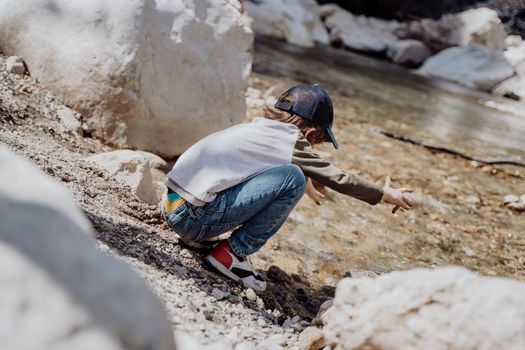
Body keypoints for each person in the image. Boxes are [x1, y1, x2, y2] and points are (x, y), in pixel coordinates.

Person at [162, 84, 412, 292]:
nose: (313, 148)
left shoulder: (261, 128)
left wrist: (307, 183)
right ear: (312, 132)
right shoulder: (290, 141)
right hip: (192, 219)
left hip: (173, 205)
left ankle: (200, 240)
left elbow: (265, 166)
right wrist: (385, 194)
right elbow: (340, 179)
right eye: (317, 142)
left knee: (294, 175)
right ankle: (232, 255)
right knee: (293, 177)